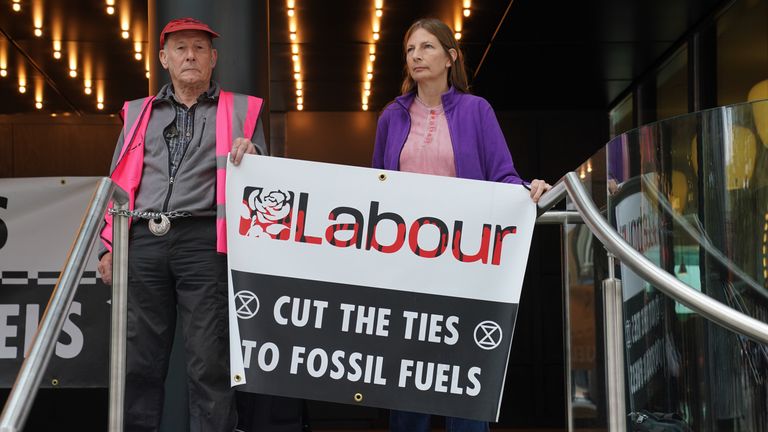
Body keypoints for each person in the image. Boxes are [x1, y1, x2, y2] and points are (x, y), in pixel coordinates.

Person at [372, 18, 551, 432]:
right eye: (410, 49)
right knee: (407, 383)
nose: (416, 55)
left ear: (451, 57)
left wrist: (528, 189)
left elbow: (502, 175)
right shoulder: (391, 117)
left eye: (427, 47)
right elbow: (374, 190)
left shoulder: (477, 110)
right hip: (406, 268)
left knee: (463, 382)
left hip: (465, 266)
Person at [97, 17, 266, 432]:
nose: (190, 55)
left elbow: (266, 180)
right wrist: (109, 246)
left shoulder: (241, 109)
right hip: (142, 239)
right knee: (138, 361)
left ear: (213, 59)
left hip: (204, 242)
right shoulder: (139, 112)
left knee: (209, 361)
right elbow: (118, 181)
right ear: (163, 58)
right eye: (180, 48)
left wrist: (255, 151)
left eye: (199, 48)